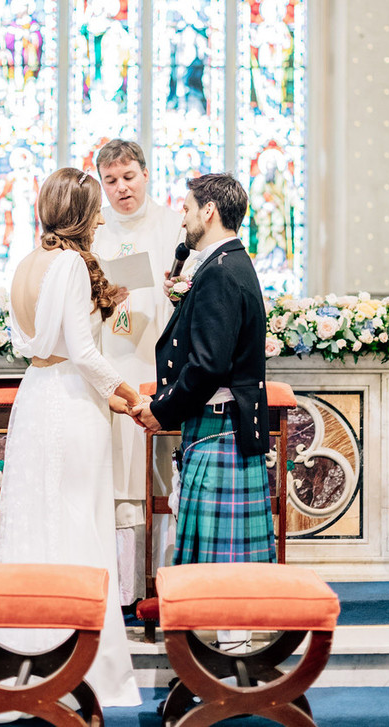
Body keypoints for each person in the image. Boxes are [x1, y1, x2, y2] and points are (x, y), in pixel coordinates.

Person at [0, 166, 142, 708]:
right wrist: (126, 391)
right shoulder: (73, 263)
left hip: (37, 396)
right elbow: (83, 350)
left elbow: (32, 344)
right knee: (81, 520)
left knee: (38, 518)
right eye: (96, 210)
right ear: (80, 214)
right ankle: (87, 666)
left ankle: (30, 651)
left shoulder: (25, 264)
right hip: (73, 403)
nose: (101, 219)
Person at [133, 173, 275, 587]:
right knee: (222, 561)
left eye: (188, 208)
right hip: (223, 426)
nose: (183, 219)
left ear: (208, 210)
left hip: (220, 427)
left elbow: (209, 365)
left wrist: (162, 410)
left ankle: (225, 628)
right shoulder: (229, 262)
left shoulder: (220, 271)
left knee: (220, 569)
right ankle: (223, 625)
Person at [92, 139, 185, 607]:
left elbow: (188, 288)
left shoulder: (172, 224)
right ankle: (121, 587)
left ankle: (159, 580)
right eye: (110, 181)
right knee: (114, 471)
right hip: (108, 366)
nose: (121, 188)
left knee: (157, 473)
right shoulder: (93, 230)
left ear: (145, 174)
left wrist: (173, 290)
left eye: (129, 177)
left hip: (156, 364)